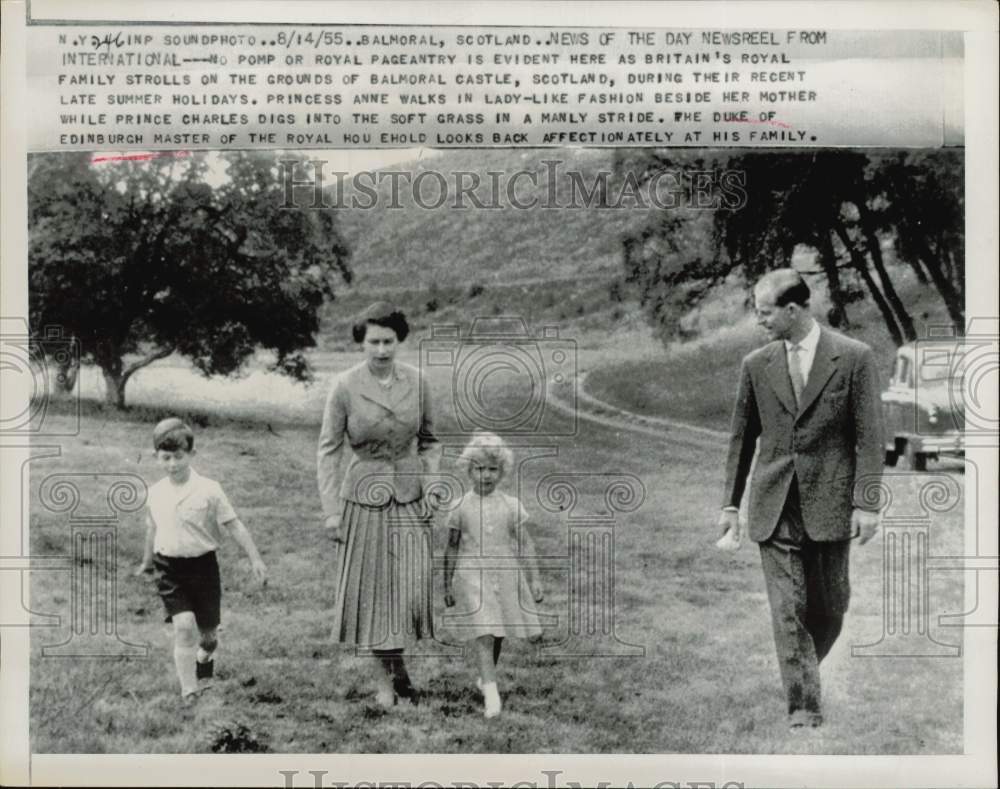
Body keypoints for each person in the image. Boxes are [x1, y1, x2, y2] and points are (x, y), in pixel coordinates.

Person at [717, 269, 884, 730]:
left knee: (830, 608)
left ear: (793, 310)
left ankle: (803, 668)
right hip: (775, 504)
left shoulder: (854, 358)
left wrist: (867, 504)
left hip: (831, 502)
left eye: (765, 312)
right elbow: (740, 439)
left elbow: (870, 438)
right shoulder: (756, 364)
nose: (759, 321)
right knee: (787, 608)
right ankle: (804, 708)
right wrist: (730, 505)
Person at [317, 302, 442, 707]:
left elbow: (431, 441)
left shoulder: (419, 382)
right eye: (374, 342)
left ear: (400, 340)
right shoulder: (344, 385)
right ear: (361, 342)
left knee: (408, 587)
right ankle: (384, 682)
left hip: (409, 494)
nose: (382, 350)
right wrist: (332, 510)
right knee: (373, 592)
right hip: (364, 498)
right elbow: (328, 451)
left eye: (389, 341)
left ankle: (398, 666)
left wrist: (431, 485)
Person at [135, 417, 268, 702]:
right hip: (169, 567)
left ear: (191, 455)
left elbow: (234, 525)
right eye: (166, 458)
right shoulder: (155, 492)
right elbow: (152, 528)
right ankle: (189, 691)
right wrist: (147, 561)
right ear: (156, 457)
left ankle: (204, 659)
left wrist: (255, 559)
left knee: (208, 637)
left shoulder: (209, 489)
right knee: (183, 627)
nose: (172, 464)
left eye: (178, 457)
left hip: (203, 567)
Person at [443, 432, 544, 719]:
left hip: (505, 573)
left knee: (498, 631)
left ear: (502, 471)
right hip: (472, 573)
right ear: (468, 470)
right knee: (485, 632)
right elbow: (451, 547)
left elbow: (526, 542)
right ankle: (491, 693)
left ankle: (486, 679)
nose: (485, 475)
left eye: (492, 469)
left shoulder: (510, 505)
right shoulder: (460, 506)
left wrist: (535, 578)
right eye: (479, 468)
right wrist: (446, 584)